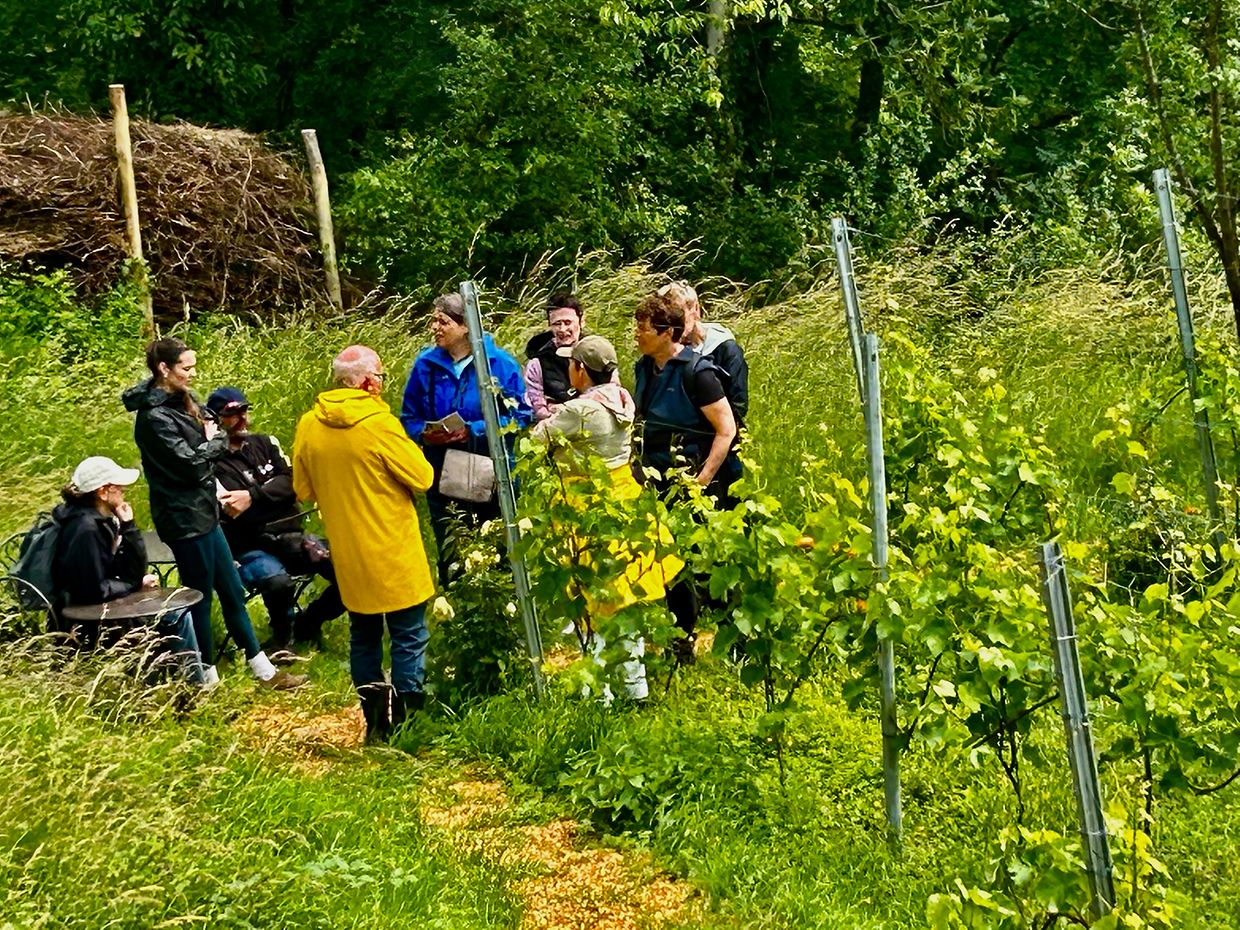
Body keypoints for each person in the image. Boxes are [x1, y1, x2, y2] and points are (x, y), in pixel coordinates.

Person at [122, 338, 306, 690]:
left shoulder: (185, 399)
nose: (193, 374)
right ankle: (206, 678)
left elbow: (212, 431)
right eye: (186, 368)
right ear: (164, 369)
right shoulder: (153, 418)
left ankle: (264, 671)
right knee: (200, 597)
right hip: (183, 519)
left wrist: (212, 438)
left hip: (205, 511)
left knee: (232, 590)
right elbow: (191, 465)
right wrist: (215, 443)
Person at [293, 345, 437, 742]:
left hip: (349, 550)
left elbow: (303, 488)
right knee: (408, 637)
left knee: (364, 636)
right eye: (382, 377)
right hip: (394, 549)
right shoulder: (379, 423)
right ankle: (407, 727)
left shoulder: (309, 423)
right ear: (369, 382)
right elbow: (422, 477)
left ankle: (375, 727)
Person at [531, 335, 684, 702]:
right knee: (623, 601)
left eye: (572, 364)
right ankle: (634, 686)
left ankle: (595, 692)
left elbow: (538, 438)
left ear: (581, 370)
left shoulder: (580, 410)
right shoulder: (621, 398)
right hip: (623, 500)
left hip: (585, 504)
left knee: (589, 599)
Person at [633, 292, 738, 663]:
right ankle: (681, 643)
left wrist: (702, 480)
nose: (637, 334)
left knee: (708, 562)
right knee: (671, 564)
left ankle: (736, 641)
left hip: (694, 479)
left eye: (643, 328)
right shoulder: (644, 368)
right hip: (657, 479)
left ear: (667, 332)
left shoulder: (699, 372)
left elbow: (726, 429)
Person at [400, 292, 532, 585]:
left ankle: (503, 602)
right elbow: (408, 417)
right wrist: (425, 433)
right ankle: (456, 602)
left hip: (491, 472)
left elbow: (522, 416)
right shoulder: (425, 366)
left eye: (443, 321)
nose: (435, 328)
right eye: (434, 321)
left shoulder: (499, 364)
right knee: (452, 549)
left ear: (465, 326)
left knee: (498, 548)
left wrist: (475, 430)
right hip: (442, 472)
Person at [205, 387, 345, 652]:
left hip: (292, 538)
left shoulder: (265, 443)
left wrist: (252, 496)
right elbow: (233, 510)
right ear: (215, 419)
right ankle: (282, 639)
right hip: (250, 545)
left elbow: (295, 483)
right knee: (277, 582)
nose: (242, 417)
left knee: (349, 572)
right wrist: (274, 495)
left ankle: (308, 622)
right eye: (232, 413)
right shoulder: (210, 463)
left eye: (244, 410)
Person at [51, 456, 206, 684]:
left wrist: (128, 526)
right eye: (118, 487)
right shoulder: (86, 530)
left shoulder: (99, 521)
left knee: (175, 614)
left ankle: (183, 683)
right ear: (103, 492)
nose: (123, 490)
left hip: (105, 606)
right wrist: (132, 585)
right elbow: (91, 590)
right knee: (176, 616)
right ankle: (194, 686)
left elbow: (132, 569)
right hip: (87, 620)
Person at [657, 280, 749, 424]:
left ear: (696, 309)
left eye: (679, 314)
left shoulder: (724, 348)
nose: (673, 323)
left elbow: (738, 405)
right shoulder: (660, 349)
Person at [524, 292, 584, 421]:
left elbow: (611, 392)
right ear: (549, 325)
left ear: (582, 321)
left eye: (568, 322)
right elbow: (539, 409)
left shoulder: (597, 353)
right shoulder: (537, 363)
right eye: (557, 324)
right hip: (556, 427)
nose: (562, 329)